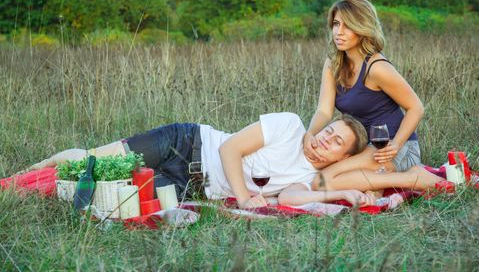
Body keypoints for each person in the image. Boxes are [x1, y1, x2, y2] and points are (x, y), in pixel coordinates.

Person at [24, 112, 381, 209]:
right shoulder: (289, 125)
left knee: (109, 193)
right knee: (95, 165)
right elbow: (229, 150)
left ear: (343, 157)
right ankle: (36, 168)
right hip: (184, 142)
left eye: (336, 143)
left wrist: (338, 195)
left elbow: (289, 199)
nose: (324, 141)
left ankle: (41, 186)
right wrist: (243, 198)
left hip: (186, 187)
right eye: (328, 131)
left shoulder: (305, 174)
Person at [303, 0, 426, 191]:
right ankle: (380, 183)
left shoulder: (376, 67)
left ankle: (414, 177)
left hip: (389, 148)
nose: (339, 32)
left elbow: (416, 107)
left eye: (348, 26)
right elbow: (324, 111)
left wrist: (395, 145)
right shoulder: (332, 64)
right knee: (321, 176)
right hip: (361, 148)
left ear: (362, 28)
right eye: (336, 24)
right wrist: (310, 133)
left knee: (323, 181)